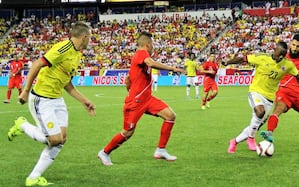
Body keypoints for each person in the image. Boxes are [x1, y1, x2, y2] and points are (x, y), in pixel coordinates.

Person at [8, 21, 96, 186]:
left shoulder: (77, 54)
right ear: (84, 37)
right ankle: (23, 125)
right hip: (42, 99)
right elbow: (37, 64)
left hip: (57, 99)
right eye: (90, 37)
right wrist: (26, 90)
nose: (90, 40)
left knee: (61, 139)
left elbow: (67, 83)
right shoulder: (63, 48)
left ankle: (33, 178)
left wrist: (85, 101)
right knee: (54, 140)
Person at [97, 32, 185, 165]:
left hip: (147, 99)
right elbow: (150, 63)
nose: (153, 48)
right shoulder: (142, 53)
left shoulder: (140, 58)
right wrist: (172, 68)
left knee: (170, 116)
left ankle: (160, 150)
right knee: (127, 132)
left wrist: (132, 88)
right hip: (136, 101)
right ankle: (104, 152)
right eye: (152, 45)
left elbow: (128, 80)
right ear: (147, 44)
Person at [225, 41, 299, 153]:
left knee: (256, 125)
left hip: (269, 98)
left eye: (283, 55)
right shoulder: (262, 58)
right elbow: (243, 59)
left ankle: (234, 141)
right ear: (274, 51)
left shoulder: (287, 64)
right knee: (260, 112)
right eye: (279, 54)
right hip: (256, 92)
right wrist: (227, 62)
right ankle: (251, 139)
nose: (281, 57)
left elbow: (298, 77)